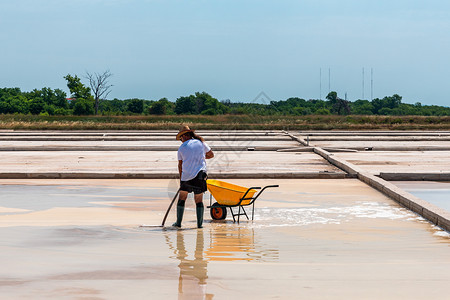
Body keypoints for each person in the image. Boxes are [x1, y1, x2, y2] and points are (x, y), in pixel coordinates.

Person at [173, 125, 214, 228]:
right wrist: (200, 157)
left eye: (181, 138)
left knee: (182, 198)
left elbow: (180, 165)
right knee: (199, 200)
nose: (181, 140)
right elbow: (211, 155)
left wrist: (181, 180)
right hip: (200, 175)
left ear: (185, 136)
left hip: (186, 176)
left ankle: (178, 223)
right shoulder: (201, 143)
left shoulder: (182, 148)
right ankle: (199, 225)